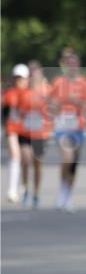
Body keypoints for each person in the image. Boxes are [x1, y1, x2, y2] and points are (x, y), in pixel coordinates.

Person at [50, 51, 86, 213]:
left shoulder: (84, 83)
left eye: (75, 63)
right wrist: (57, 104)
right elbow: (50, 103)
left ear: (78, 65)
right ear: (65, 65)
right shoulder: (58, 82)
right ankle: (62, 189)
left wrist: (78, 102)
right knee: (67, 158)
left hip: (78, 126)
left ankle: (68, 196)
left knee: (74, 164)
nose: (72, 66)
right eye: (69, 63)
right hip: (62, 125)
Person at [17, 62, 52, 209]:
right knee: (25, 159)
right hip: (25, 132)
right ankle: (25, 187)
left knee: (38, 163)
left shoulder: (47, 91)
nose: (33, 76)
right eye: (31, 74)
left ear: (40, 74)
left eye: (35, 73)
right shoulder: (23, 92)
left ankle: (36, 193)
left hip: (40, 133)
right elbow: (17, 111)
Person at [3, 64, 29, 203]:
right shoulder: (9, 93)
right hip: (12, 128)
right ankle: (12, 190)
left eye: (22, 78)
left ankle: (24, 186)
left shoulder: (31, 93)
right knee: (15, 154)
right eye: (17, 78)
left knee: (26, 159)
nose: (20, 80)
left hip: (27, 130)